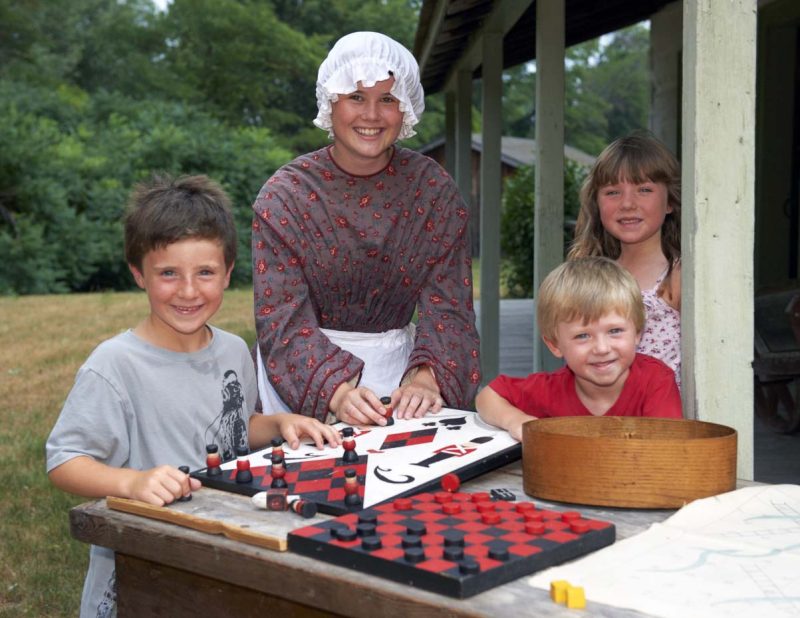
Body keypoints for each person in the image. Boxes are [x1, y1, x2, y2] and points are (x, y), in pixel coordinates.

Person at [46, 174, 340, 618]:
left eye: (205, 272)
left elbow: (232, 428)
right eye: (168, 274)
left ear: (227, 274)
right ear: (137, 273)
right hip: (145, 563)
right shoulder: (115, 366)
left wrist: (279, 424)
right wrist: (132, 482)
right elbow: (65, 460)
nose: (187, 291)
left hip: (222, 548)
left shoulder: (233, 350)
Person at [251, 31, 481, 426]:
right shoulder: (285, 196)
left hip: (405, 383)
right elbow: (281, 318)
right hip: (301, 384)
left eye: (388, 100)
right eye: (356, 97)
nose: (371, 115)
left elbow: (450, 310)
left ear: (405, 109)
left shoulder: (433, 192)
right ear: (331, 101)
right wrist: (337, 393)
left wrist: (427, 379)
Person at [476, 257, 682, 441]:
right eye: (583, 336)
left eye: (615, 331)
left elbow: (666, 451)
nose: (602, 348)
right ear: (554, 345)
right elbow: (488, 396)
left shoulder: (656, 381)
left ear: (637, 333)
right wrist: (517, 421)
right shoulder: (550, 390)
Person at [567, 132, 682, 387]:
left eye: (644, 189)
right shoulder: (589, 277)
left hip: (660, 422)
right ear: (597, 202)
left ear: (670, 202)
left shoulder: (677, 277)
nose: (628, 203)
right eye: (613, 192)